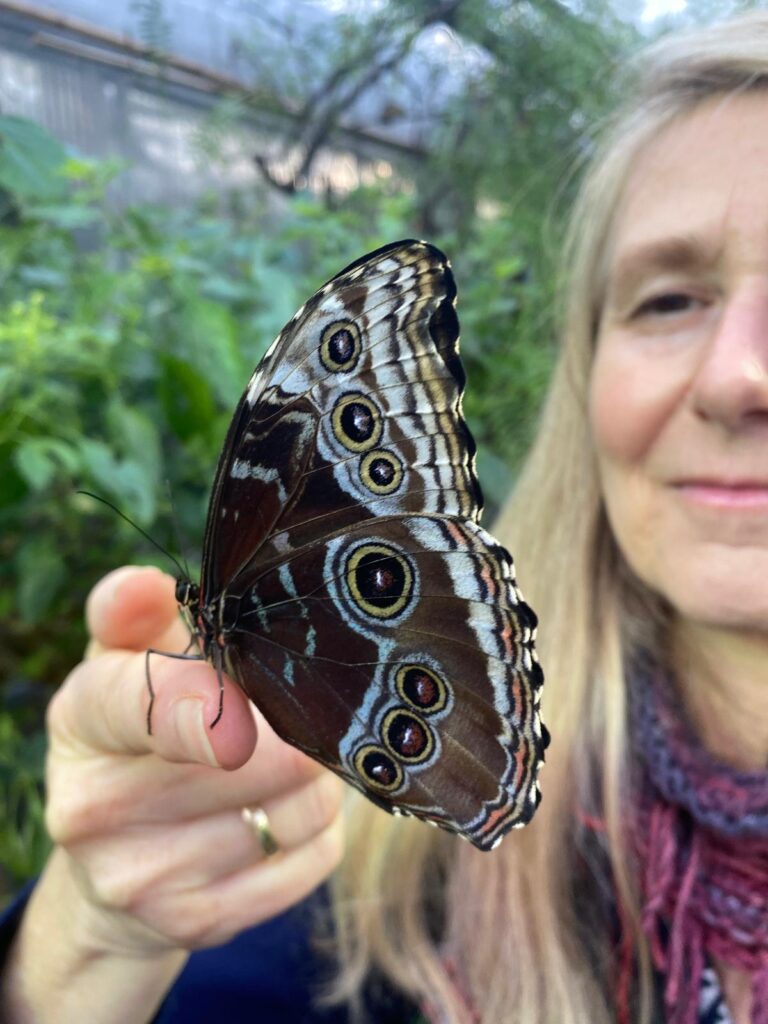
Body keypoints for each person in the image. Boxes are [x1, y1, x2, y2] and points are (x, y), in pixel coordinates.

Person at [2, 10, 768, 1024]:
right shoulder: (391, 875)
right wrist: (87, 948)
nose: (738, 376)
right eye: (669, 299)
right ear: (588, 373)